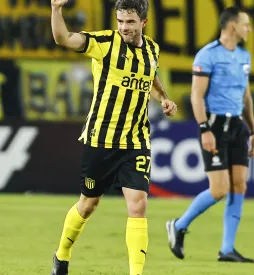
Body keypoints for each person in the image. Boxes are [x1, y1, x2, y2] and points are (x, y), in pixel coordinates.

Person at [50, 0, 178, 274]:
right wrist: (56, 9)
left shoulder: (152, 49)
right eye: (120, 21)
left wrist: (164, 99)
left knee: (138, 204)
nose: (123, 28)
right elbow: (63, 38)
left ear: (143, 23)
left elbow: (150, 78)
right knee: (87, 205)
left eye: (130, 22)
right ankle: (62, 255)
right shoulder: (105, 43)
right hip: (101, 140)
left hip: (136, 141)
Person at [165, 6, 254, 263]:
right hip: (215, 126)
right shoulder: (208, 55)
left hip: (237, 126)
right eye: (245, 24)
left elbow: (246, 95)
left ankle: (227, 249)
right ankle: (179, 225)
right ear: (231, 26)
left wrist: (253, 130)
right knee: (219, 190)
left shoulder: (243, 56)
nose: (249, 29)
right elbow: (196, 95)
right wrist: (204, 128)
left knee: (239, 184)